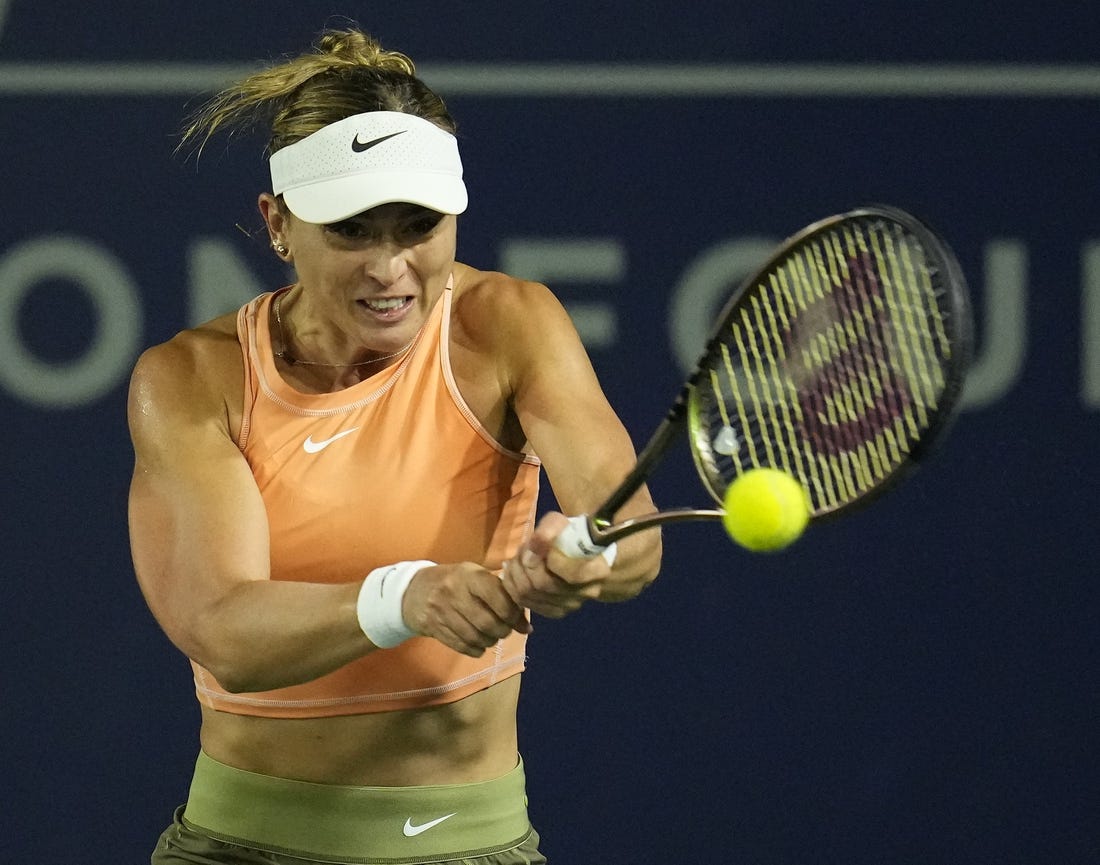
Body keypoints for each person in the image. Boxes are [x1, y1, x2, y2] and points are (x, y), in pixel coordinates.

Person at [127, 26, 662, 865]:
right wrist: (405, 595)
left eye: (418, 226)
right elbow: (222, 629)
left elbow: (632, 535)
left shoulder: (510, 325)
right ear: (278, 225)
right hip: (236, 847)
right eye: (351, 230)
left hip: (466, 846)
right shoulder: (192, 380)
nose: (391, 267)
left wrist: (585, 553)